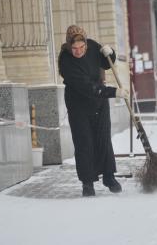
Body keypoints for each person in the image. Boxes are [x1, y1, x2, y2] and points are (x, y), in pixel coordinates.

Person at [58, 25, 129, 197]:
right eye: (74, 48)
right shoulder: (65, 60)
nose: (79, 51)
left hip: (99, 103)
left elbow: (106, 63)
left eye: (82, 47)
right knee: (84, 143)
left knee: (103, 139)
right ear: (69, 45)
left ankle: (109, 176)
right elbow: (87, 87)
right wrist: (114, 92)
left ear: (86, 43)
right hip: (78, 105)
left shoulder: (92, 45)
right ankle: (87, 183)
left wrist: (109, 52)